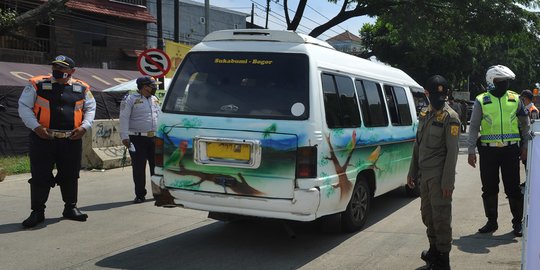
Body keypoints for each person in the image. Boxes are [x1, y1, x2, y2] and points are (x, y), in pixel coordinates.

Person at [18, 55, 96, 228]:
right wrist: (36, 127)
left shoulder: (82, 88)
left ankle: (70, 207)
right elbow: (24, 106)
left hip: (71, 139)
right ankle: (37, 211)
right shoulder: (36, 84)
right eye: (56, 68)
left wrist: (85, 127)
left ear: (72, 71)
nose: (58, 71)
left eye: (62, 68)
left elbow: (90, 108)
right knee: (40, 175)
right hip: (43, 138)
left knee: (70, 174)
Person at [467, 65, 530, 237]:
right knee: (489, 188)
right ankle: (491, 221)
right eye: (501, 81)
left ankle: (518, 223)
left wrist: (525, 147)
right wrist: (471, 150)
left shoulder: (515, 99)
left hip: (511, 151)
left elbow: (525, 125)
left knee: (513, 188)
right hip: (488, 152)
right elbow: (473, 127)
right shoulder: (482, 100)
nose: (505, 84)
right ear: (492, 81)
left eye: (507, 81)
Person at [408, 75, 460, 270]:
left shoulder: (451, 118)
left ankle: (443, 260)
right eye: (435, 96)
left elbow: (453, 153)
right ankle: (434, 252)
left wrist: (448, 183)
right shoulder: (425, 114)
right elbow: (417, 146)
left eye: (442, 97)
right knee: (428, 215)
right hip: (425, 176)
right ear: (427, 94)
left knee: (441, 217)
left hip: (439, 177)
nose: (439, 101)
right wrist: (412, 172)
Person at [119, 76, 161, 203]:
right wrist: (124, 136)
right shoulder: (130, 99)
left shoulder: (154, 99)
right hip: (137, 138)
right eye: (152, 85)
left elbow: (159, 116)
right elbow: (124, 118)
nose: (154, 88)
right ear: (144, 86)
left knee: (156, 168)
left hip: (154, 138)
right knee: (139, 168)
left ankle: (157, 193)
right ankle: (140, 194)